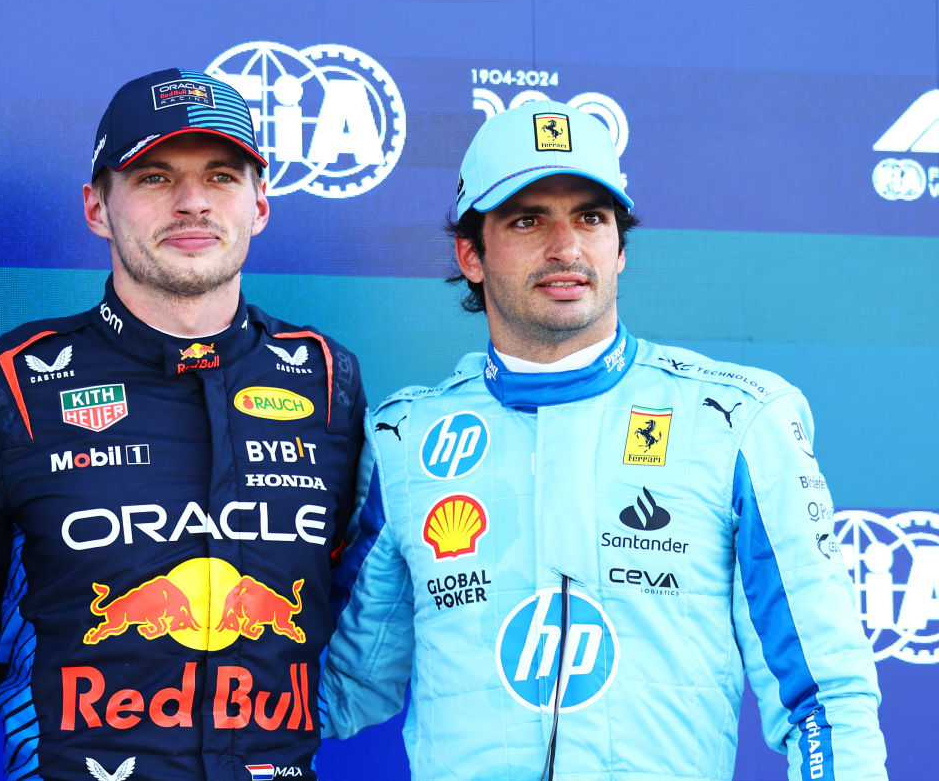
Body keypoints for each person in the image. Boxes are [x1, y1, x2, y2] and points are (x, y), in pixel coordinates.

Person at [321, 100, 886, 780]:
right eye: (528, 220)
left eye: (591, 218)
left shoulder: (736, 419)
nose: (567, 248)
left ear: (619, 247)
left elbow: (822, 696)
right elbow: (338, 687)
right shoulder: (405, 442)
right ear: (471, 254)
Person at [0, 68, 366, 780]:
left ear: (260, 205)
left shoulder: (326, 380)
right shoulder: (11, 387)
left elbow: (372, 618)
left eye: (222, 176)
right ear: (98, 206)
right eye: (155, 177)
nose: (192, 203)